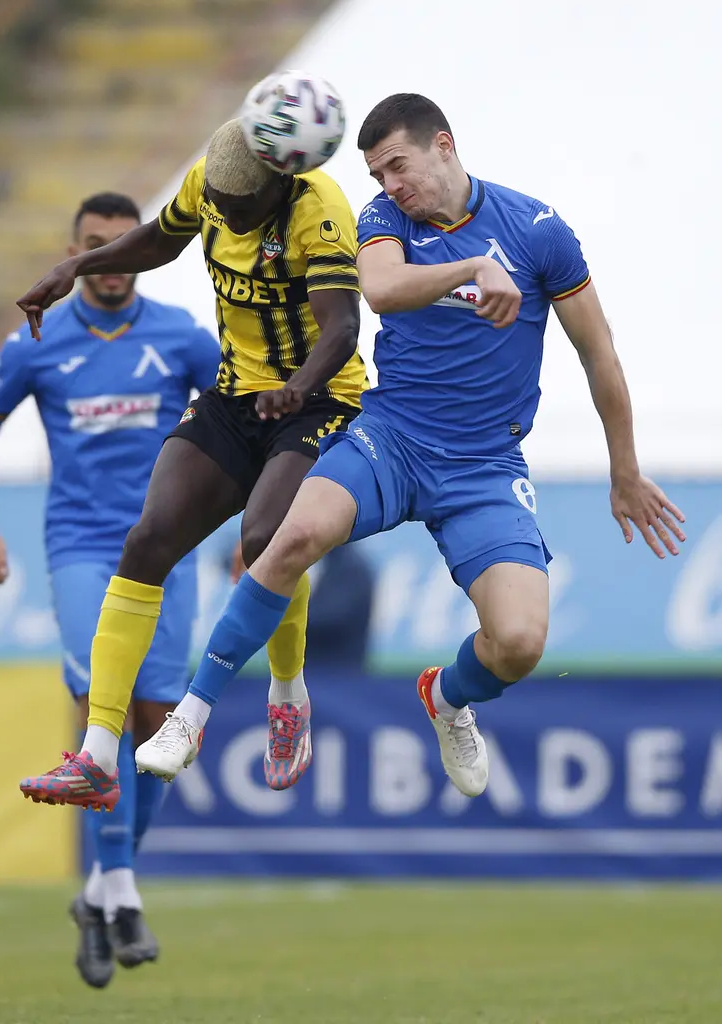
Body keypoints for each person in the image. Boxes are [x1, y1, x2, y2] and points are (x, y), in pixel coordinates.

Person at [133, 93, 687, 796]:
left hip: (484, 467)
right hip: (390, 440)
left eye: (398, 165)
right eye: (377, 174)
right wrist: (470, 269)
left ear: (443, 145)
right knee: (289, 536)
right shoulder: (384, 220)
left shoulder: (537, 230)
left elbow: (598, 353)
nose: (390, 184)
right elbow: (382, 289)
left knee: (519, 644)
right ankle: (190, 716)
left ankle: (448, 697)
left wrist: (624, 473)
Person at [16, 118, 365, 804]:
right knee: (147, 541)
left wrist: (297, 388)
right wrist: (77, 267)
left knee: (264, 542)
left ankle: (288, 697)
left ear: (276, 184)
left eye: (240, 207)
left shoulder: (319, 209)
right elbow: (160, 238)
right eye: (219, 206)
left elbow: (343, 326)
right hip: (235, 397)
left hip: (318, 400)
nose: (226, 217)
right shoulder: (211, 181)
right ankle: (96, 756)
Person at [0, 191, 221, 988]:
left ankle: (100, 890)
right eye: (93, 244)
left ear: (141, 250)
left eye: (121, 243)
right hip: (81, 548)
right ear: (74, 253)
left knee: (161, 732)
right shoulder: (39, 341)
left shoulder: (181, 337)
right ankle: (125, 893)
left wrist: (252, 522)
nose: (108, 260)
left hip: (168, 549)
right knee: (102, 707)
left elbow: (242, 423)